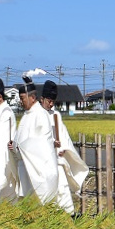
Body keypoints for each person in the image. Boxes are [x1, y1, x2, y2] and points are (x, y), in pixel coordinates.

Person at [9, 76, 59, 205]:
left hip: (38, 169)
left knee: (37, 204)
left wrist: (20, 146)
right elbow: (20, 138)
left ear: (32, 98)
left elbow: (40, 142)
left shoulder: (40, 115)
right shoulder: (27, 114)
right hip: (25, 167)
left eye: (22, 98)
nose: (21, 102)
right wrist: (14, 144)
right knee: (26, 203)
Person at [41, 80, 89, 214]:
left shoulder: (56, 115)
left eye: (53, 102)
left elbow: (64, 137)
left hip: (56, 160)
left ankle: (66, 216)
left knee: (61, 188)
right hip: (41, 162)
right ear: (41, 99)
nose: (50, 104)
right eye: (48, 101)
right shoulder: (36, 115)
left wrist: (63, 149)